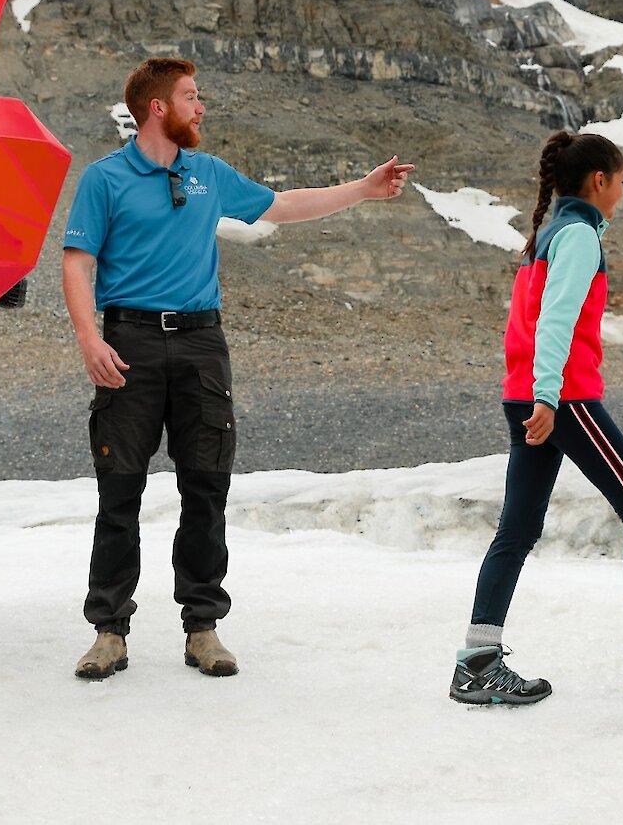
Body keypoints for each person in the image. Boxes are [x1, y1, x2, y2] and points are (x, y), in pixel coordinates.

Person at [62, 57, 413, 680]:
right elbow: (77, 262)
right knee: (120, 491)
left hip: (201, 346)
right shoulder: (105, 178)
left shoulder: (208, 174)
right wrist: (89, 338)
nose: (201, 107)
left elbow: (282, 206)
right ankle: (108, 632)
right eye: (191, 97)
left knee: (206, 488)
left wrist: (362, 188)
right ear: (157, 108)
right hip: (129, 342)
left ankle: (203, 627)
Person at [450, 130, 623, 715]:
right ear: (599, 181)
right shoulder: (576, 235)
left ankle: (476, 661)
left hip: (529, 392)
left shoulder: (550, 233)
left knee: (518, 529)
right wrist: (549, 398)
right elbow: (555, 321)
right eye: (622, 181)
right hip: (563, 398)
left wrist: (534, 395)